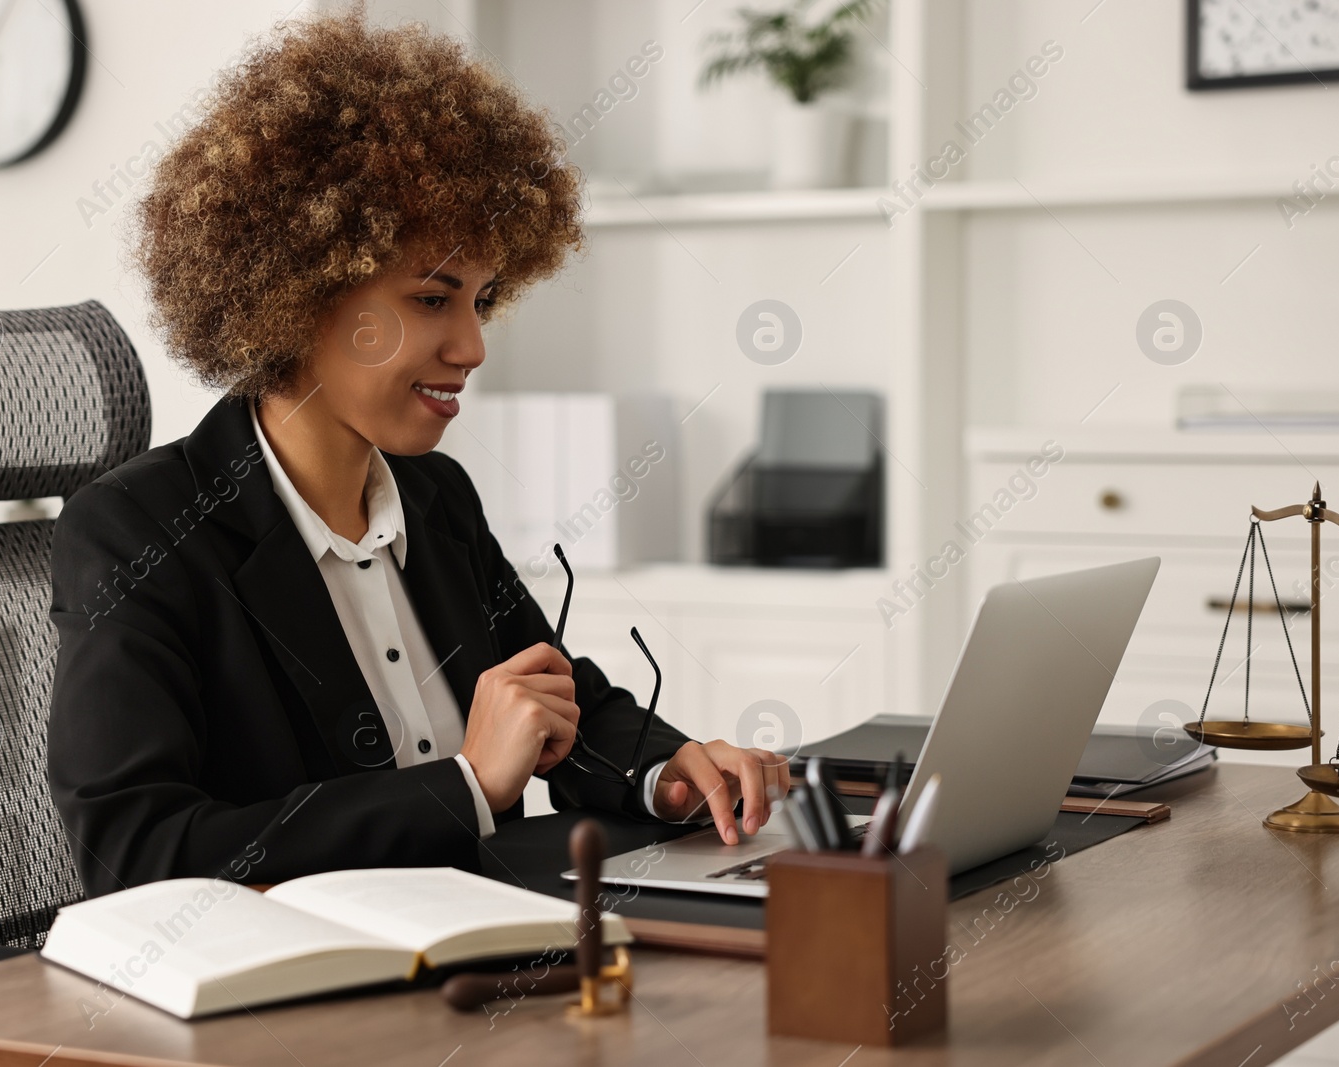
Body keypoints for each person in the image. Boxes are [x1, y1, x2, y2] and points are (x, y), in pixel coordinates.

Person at [46, 11, 787, 898]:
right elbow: (136, 851)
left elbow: (552, 703)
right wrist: (467, 786)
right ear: (301, 290)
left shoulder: (435, 498)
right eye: (434, 300)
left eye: (483, 299)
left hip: (495, 960)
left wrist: (669, 773)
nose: (473, 345)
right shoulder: (144, 529)